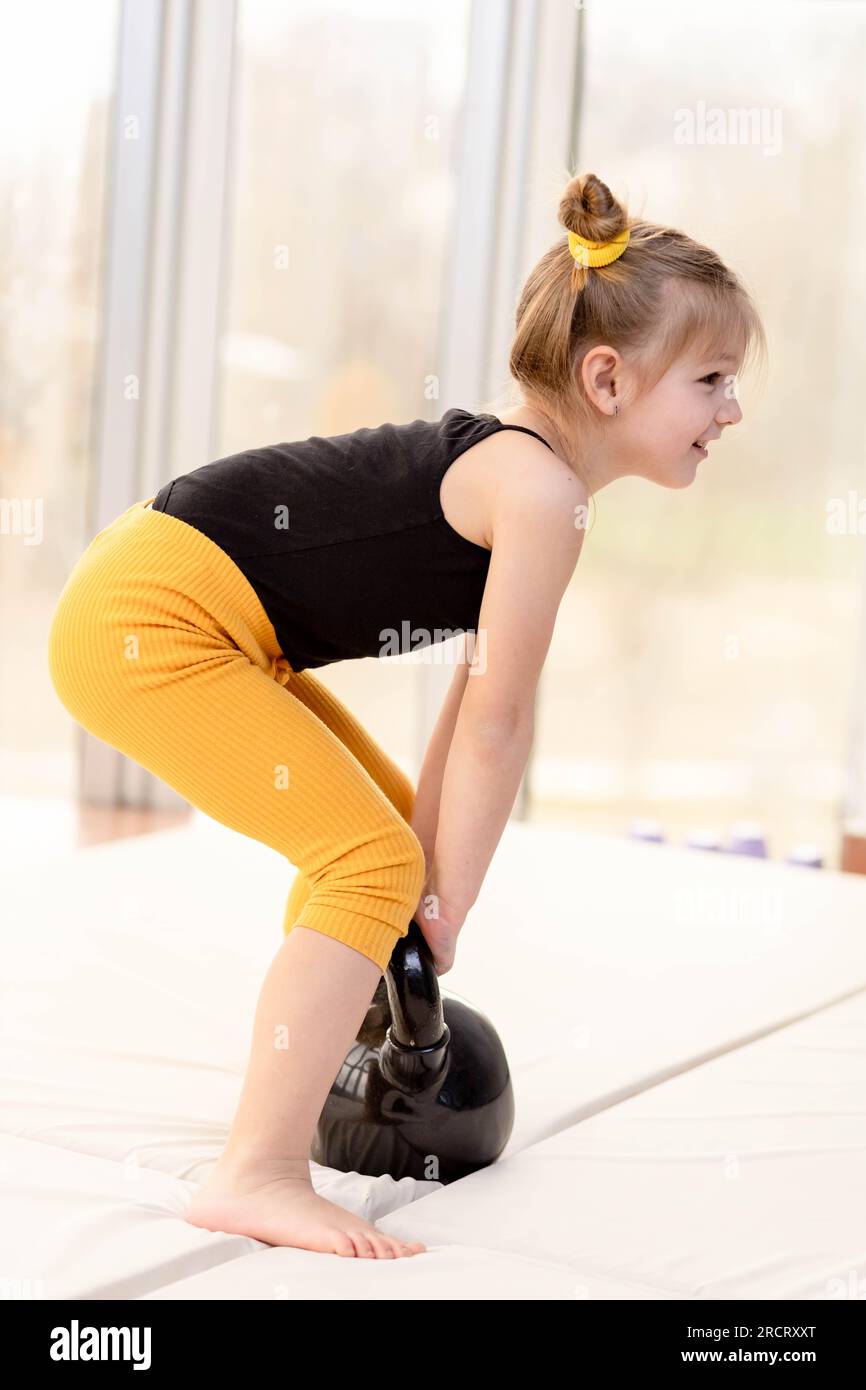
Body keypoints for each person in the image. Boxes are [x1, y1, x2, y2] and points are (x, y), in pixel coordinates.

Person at [46, 171, 766, 1259]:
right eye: (710, 379)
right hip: (149, 620)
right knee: (372, 863)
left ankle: (324, 1052)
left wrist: (431, 889)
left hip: (184, 610)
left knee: (390, 853)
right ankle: (256, 1170)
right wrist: (444, 911)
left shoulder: (523, 478)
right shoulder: (540, 496)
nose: (731, 409)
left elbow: (470, 703)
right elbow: (495, 727)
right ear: (607, 380)